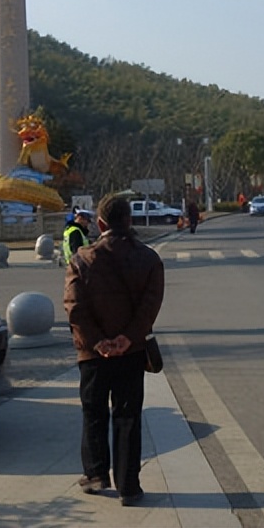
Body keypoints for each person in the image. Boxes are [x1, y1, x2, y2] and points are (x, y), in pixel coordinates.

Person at [63, 193, 165, 507]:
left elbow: (74, 307)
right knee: (128, 416)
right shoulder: (149, 259)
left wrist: (98, 341)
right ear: (129, 220)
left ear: (101, 223)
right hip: (132, 352)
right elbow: (150, 306)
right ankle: (129, 486)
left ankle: (95, 475)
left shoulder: (81, 258)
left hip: (93, 356)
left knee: (93, 413)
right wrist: (126, 338)